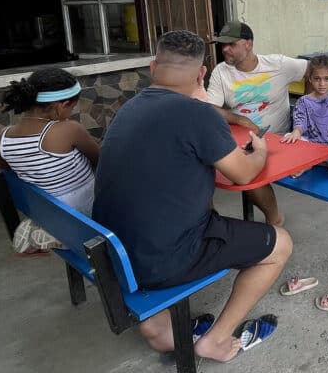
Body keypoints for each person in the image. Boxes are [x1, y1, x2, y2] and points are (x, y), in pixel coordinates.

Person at [93, 30, 289, 363]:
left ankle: (159, 329)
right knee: (280, 243)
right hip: (165, 258)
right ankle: (216, 340)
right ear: (201, 74)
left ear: (153, 67)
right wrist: (260, 150)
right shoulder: (198, 114)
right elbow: (242, 173)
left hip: (113, 252)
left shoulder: (128, 109)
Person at [205, 20, 307, 227]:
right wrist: (238, 119)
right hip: (243, 141)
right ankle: (206, 224)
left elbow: (317, 70)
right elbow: (209, 108)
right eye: (222, 44)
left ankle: (274, 220)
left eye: (231, 44)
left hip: (279, 139)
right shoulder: (221, 72)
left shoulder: (278, 64)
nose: (224, 49)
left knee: (246, 174)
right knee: (197, 163)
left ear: (249, 44)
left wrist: (306, 105)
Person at [0, 68, 100, 253]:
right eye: (72, 107)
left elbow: (4, 166)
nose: (71, 112)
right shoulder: (69, 130)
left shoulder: (2, 136)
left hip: (46, 212)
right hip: (83, 211)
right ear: (62, 105)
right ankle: (64, 235)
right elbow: (100, 160)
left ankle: (45, 230)